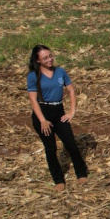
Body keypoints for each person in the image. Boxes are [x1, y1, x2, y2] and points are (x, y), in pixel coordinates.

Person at [26, 45, 89, 190]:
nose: (50, 59)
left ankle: (81, 173)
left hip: (58, 110)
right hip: (43, 112)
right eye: (45, 58)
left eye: (50, 56)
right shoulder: (33, 76)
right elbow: (33, 100)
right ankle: (58, 179)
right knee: (50, 148)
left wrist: (72, 111)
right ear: (38, 60)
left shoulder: (60, 72)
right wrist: (42, 120)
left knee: (71, 144)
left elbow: (71, 91)